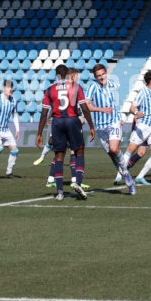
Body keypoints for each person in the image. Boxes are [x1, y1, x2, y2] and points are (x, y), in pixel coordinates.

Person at [36, 64, 95, 201]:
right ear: (68, 74)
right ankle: (78, 183)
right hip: (72, 120)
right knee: (79, 151)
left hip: (57, 122)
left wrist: (39, 133)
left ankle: (60, 192)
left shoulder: (49, 90)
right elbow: (85, 108)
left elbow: (44, 113)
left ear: (56, 76)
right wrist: (91, 126)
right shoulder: (75, 87)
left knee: (59, 156)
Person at [85, 63, 134, 194]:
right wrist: (101, 109)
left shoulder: (113, 84)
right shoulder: (92, 87)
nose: (101, 77)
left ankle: (126, 174)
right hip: (101, 126)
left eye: (102, 74)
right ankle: (124, 173)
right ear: (95, 77)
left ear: (106, 72)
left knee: (114, 148)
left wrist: (120, 116)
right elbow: (86, 106)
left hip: (114, 122)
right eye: (98, 76)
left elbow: (114, 102)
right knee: (112, 155)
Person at [123, 70, 151, 185]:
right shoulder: (143, 92)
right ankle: (120, 173)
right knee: (131, 150)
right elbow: (132, 107)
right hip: (143, 126)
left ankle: (140, 177)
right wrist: (136, 112)